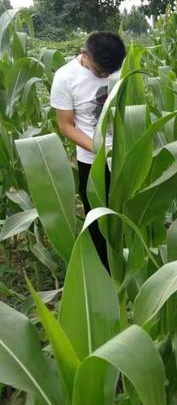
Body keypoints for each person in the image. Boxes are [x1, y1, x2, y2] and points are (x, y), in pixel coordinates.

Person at [50, 31, 127, 269]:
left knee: (127, 216)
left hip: (126, 157)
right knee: (98, 223)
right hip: (92, 160)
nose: (105, 76)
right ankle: (104, 275)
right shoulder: (65, 78)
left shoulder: (119, 70)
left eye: (109, 72)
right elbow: (65, 125)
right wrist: (101, 149)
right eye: (99, 71)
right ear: (84, 54)